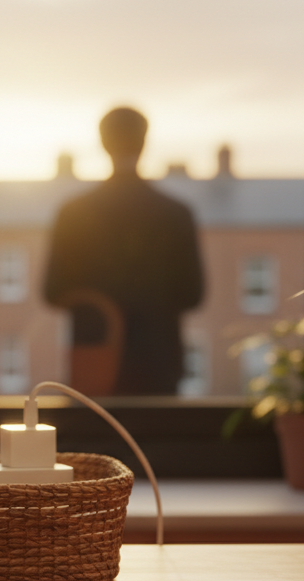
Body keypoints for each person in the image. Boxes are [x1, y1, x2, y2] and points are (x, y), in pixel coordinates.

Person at [43, 107, 204, 395]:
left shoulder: (73, 214)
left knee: (91, 438)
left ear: (103, 144)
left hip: (96, 364)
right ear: (144, 143)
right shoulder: (176, 214)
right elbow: (193, 294)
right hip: (158, 367)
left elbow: (52, 291)